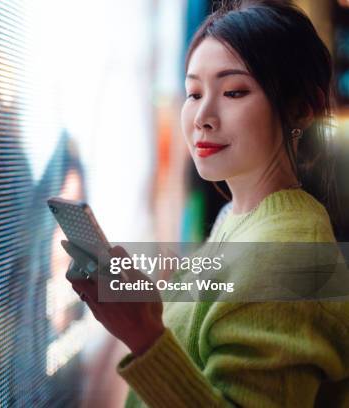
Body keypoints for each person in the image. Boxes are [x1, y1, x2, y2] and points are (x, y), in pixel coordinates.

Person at [62, 1, 349, 406]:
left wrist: (144, 336)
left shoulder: (284, 254)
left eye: (233, 91)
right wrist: (148, 312)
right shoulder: (239, 216)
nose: (202, 116)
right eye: (193, 92)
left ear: (303, 109)